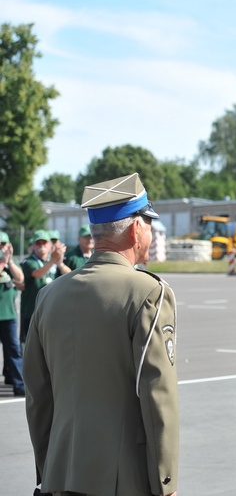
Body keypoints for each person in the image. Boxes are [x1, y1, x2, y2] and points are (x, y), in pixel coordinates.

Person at [22, 173, 179, 496]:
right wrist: (166, 482)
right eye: (148, 224)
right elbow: (157, 395)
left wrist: (49, 467)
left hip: (60, 474)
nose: (150, 233)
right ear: (136, 229)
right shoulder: (148, 292)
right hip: (124, 479)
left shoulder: (50, 294)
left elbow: (38, 394)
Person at [18, 230, 69, 344]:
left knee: (50, 345)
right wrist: (53, 260)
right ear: (33, 246)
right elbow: (38, 274)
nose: (41, 246)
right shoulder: (28, 261)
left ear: (50, 245)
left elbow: (70, 275)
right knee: (31, 346)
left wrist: (59, 263)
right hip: (32, 312)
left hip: (51, 311)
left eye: (44, 243)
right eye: (38, 243)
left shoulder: (53, 261)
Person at [0, 231, 26, 396]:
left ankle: (20, 385)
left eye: (3, 245)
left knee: (14, 350)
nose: (1, 248)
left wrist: (9, 263)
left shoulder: (11, 263)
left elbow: (20, 279)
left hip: (8, 315)